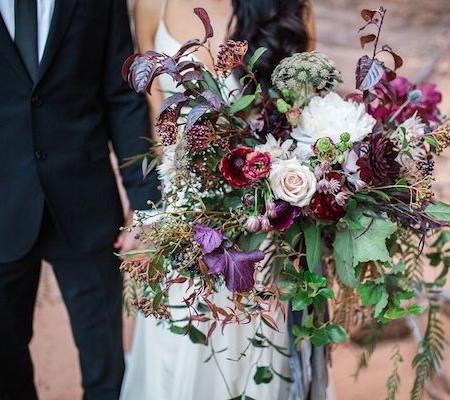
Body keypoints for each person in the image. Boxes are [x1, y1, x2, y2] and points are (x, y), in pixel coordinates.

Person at [121, 1, 315, 399]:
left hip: (263, 223)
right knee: (181, 341)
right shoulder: (152, 5)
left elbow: (303, 114)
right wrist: (154, 212)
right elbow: (156, 112)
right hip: (185, 218)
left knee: (254, 344)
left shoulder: (288, 8)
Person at [0, 1, 159, 399]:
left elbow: (121, 96)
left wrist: (146, 205)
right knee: (2, 367)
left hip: (86, 201)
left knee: (105, 365)